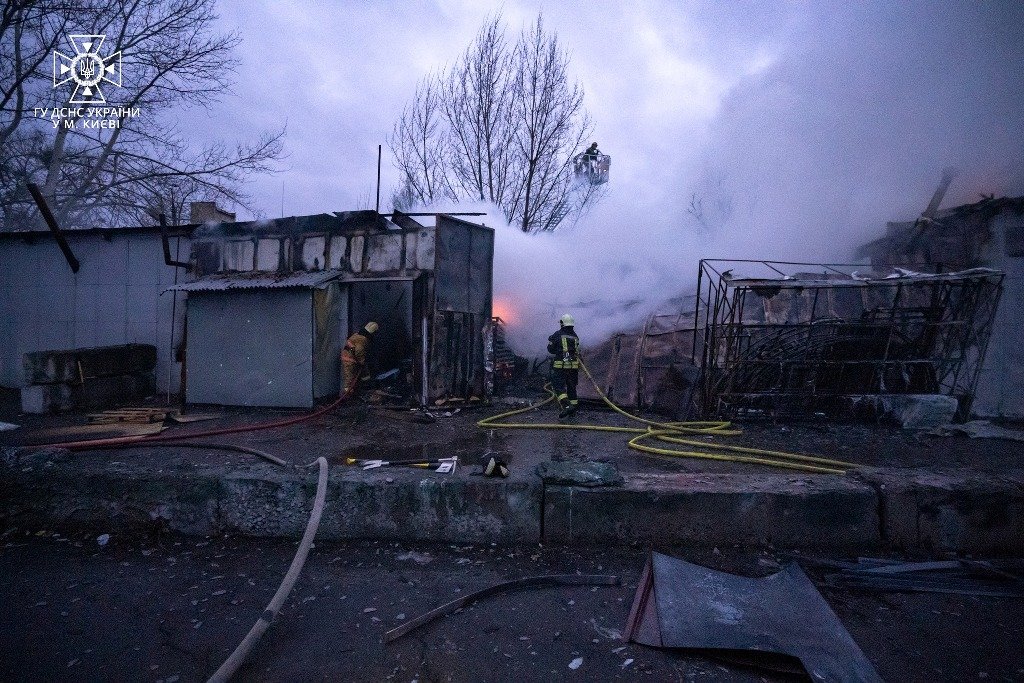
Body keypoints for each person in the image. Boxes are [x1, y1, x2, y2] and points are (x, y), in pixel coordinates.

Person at [547, 313, 581, 419]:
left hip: (560, 367)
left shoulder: (558, 334)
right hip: (573, 367)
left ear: (562, 323)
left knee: (558, 387)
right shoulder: (575, 336)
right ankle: (573, 408)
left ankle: (567, 405)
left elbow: (551, 350)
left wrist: (551, 341)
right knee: (571, 388)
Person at [341, 321, 378, 396]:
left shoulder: (357, 335)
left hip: (352, 358)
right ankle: (347, 397)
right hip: (349, 360)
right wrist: (362, 362)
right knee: (349, 380)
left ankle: (363, 389)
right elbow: (359, 351)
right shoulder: (362, 339)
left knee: (364, 375)